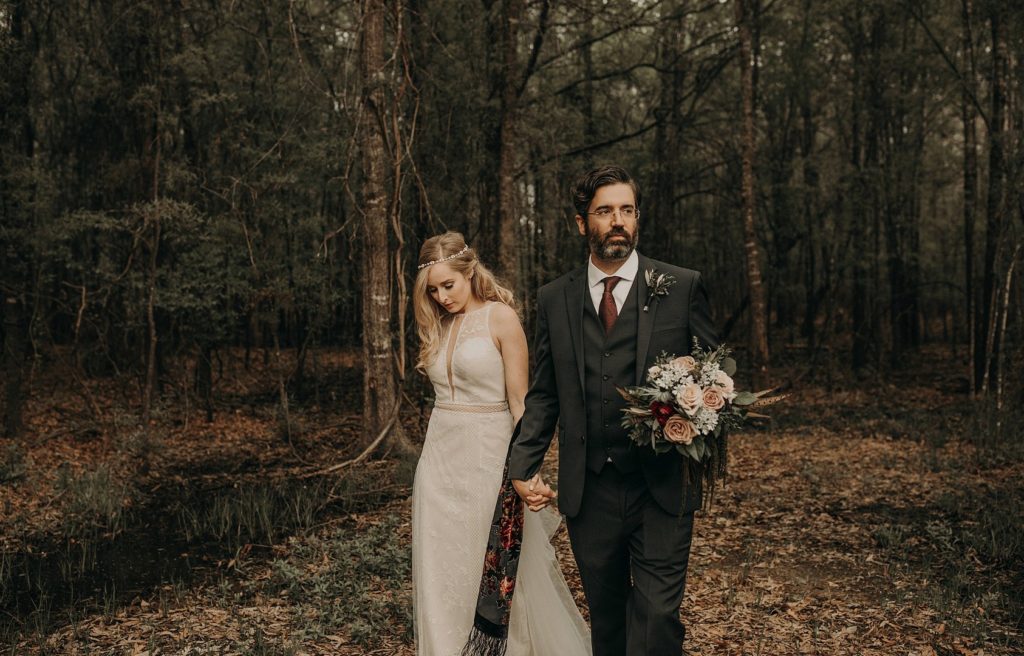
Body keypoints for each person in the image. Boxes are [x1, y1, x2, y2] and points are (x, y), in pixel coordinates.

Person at [508, 165, 720, 656]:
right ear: (582, 223)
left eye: (627, 210)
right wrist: (523, 464)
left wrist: (696, 420)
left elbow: (717, 380)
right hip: (591, 490)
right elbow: (544, 394)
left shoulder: (682, 286)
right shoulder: (554, 299)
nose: (618, 220)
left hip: (662, 486)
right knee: (607, 624)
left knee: (658, 617)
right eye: (605, 211)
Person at [410, 231, 591, 655]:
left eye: (448, 285)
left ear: (469, 272)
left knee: (492, 566)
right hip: (438, 464)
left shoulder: (500, 318)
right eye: (432, 290)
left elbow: (520, 402)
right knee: (442, 570)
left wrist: (527, 469)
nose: (441, 297)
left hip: (488, 459)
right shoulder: (438, 323)